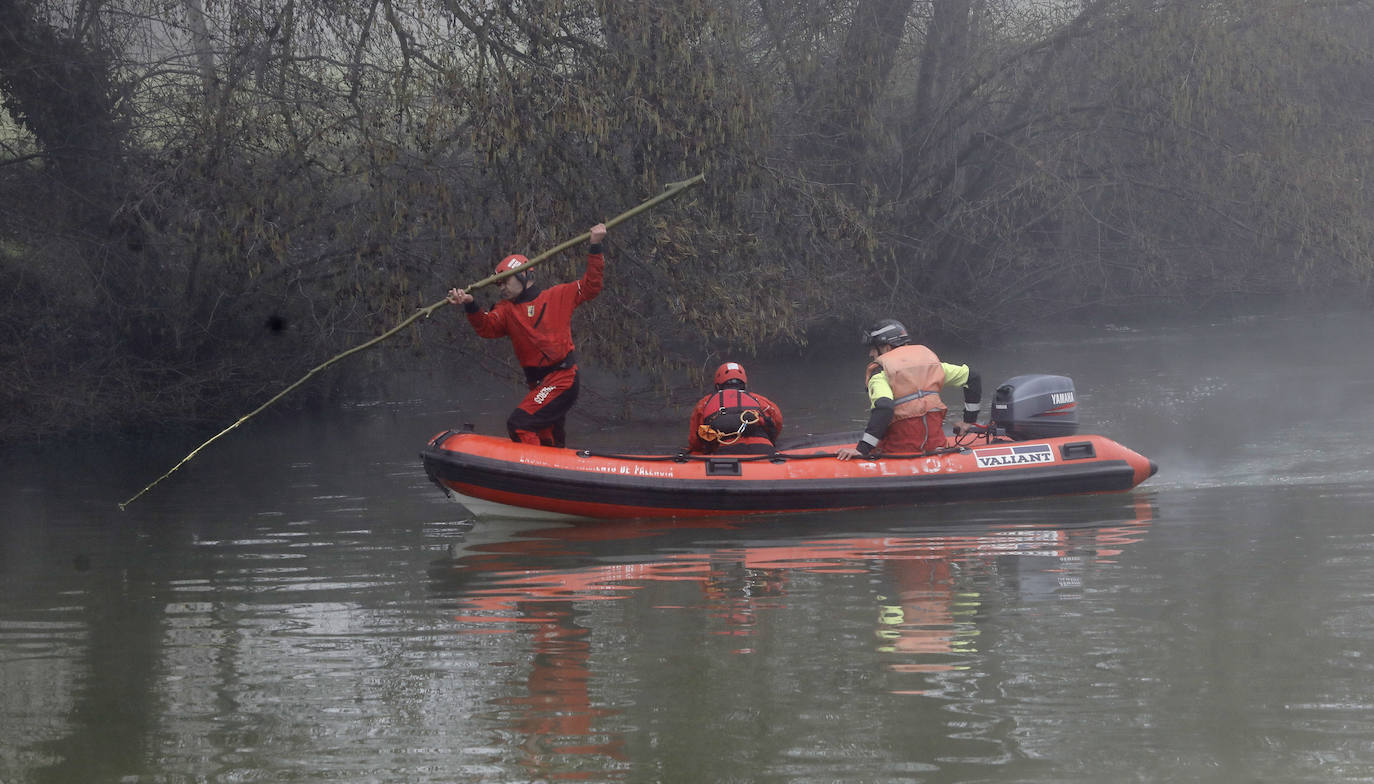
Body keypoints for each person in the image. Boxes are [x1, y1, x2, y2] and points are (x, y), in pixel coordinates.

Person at [447, 223, 607, 447]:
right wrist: (470, 305)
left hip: (562, 380)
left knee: (520, 424)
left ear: (523, 275)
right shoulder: (505, 310)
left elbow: (591, 286)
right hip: (540, 385)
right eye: (498, 284)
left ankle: (535, 472)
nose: (501, 287)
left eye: (506, 281)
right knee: (546, 437)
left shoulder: (558, 295)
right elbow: (486, 327)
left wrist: (595, 246)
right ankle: (555, 472)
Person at [836, 319, 981, 460]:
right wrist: (968, 421)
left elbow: (885, 407)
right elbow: (972, 377)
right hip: (936, 446)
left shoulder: (881, 376)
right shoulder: (934, 367)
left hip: (899, 451)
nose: (871, 354)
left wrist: (862, 450)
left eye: (873, 348)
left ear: (886, 347)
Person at [687, 361, 784, 454]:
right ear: (744, 384)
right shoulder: (760, 401)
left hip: (726, 452)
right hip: (764, 449)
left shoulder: (705, 403)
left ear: (717, 386)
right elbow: (777, 422)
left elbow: (695, 439)